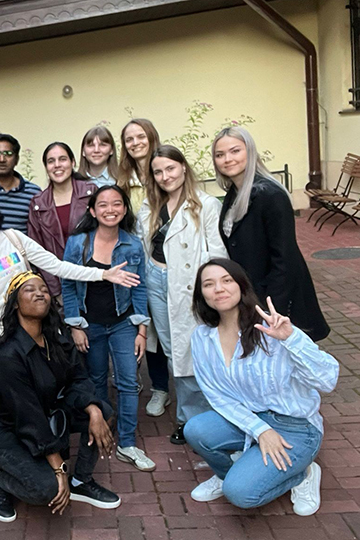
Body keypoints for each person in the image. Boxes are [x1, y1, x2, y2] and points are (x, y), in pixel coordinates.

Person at [0, 196, 139, 513]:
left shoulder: (13, 238)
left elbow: (55, 266)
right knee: (1, 407)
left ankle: (79, 479)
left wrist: (101, 275)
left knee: (66, 398)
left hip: (38, 328)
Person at [185, 258, 339, 516]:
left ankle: (303, 474)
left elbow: (327, 381)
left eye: (226, 281)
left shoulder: (272, 330)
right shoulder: (202, 338)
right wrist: (260, 430)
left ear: (241, 286)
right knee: (196, 429)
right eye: (208, 284)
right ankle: (227, 474)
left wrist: (292, 339)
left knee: (242, 494)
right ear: (202, 295)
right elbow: (217, 395)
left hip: (296, 427)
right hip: (250, 419)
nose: (218, 289)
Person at [0, 272, 122, 522]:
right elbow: (28, 415)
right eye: (29, 290)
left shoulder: (57, 338)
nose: (39, 293)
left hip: (45, 415)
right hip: (7, 429)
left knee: (105, 413)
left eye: (43, 289)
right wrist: (59, 469)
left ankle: (81, 481)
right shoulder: (8, 355)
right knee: (48, 489)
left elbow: (78, 379)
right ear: (15, 304)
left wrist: (93, 410)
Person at [137, 145, 228, 444]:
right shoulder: (149, 207)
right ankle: (188, 420)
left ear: (184, 168)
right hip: (156, 280)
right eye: (158, 172)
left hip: (189, 286)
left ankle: (206, 419)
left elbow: (217, 254)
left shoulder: (206, 204)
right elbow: (142, 248)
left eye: (170, 169)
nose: (165, 176)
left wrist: (216, 293)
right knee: (174, 350)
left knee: (196, 352)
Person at [62, 185, 155, 471]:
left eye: (117, 204)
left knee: (128, 381)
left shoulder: (132, 244)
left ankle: (127, 442)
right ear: (92, 210)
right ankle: (102, 429)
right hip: (90, 325)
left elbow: (139, 288)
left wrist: (142, 329)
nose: (110, 209)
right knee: (98, 379)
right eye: (103, 205)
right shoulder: (78, 243)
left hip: (123, 323)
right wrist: (75, 324)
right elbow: (67, 282)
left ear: (125, 209)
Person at [212, 127, 330, 341]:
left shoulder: (270, 195)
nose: (227, 159)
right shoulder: (234, 193)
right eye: (220, 155)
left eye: (235, 151)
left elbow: (284, 257)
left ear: (250, 152)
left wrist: (272, 309)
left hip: (275, 300)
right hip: (251, 295)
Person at [116, 118, 171, 415]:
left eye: (140, 137)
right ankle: (160, 388)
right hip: (138, 262)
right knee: (148, 325)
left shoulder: (163, 170)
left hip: (168, 260)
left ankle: (195, 386)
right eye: (128, 139)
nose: (135, 143)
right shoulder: (123, 179)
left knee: (178, 324)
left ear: (151, 137)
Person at [27, 142, 97, 298]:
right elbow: (36, 252)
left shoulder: (90, 192)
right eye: (51, 161)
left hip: (94, 279)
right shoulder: (38, 204)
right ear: (45, 167)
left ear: (72, 162)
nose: (57, 165)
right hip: (58, 285)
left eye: (62, 159)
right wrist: (57, 293)